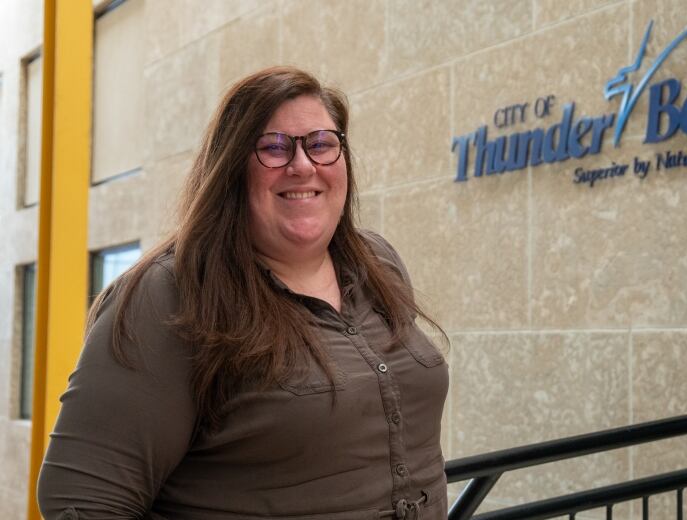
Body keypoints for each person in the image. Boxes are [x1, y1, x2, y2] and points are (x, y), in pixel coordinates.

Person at [37, 67, 449, 519]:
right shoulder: (169, 295)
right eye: (274, 147)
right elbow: (83, 503)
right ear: (231, 169)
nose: (303, 165)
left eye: (322, 144)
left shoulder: (376, 262)